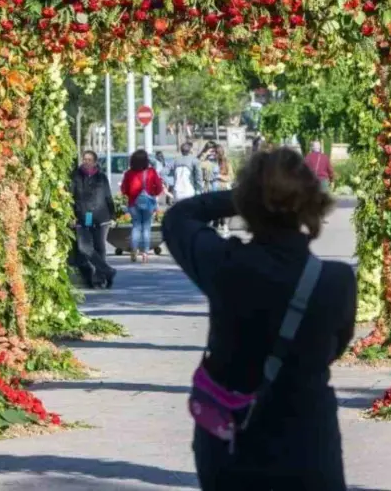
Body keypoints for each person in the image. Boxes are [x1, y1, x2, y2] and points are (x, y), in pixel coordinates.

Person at [163, 148, 356, 490]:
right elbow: (334, 348)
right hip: (308, 442)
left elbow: (179, 217)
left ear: (248, 202)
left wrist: (243, 198)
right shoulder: (336, 282)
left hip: (234, 444)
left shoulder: (226, 264)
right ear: (311, 202)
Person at [71, 150, 117, 289]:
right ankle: (107, 271)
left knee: (100, 247)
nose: (86, 162)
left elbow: (108, 196)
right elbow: (70, 196)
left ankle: (100, 278)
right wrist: (71, 215)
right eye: (84, 159)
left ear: (95, 162)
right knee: (84, 248)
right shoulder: (76, 176)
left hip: (100, 216)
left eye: (90, 159)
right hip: (82, 216)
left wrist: (113, 215)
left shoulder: (101, 177)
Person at [121, 149, 164, 263]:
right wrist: (153, 193)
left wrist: (131, 195)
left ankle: (134, 250)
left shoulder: (129, 173)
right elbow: (159, 188)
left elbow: (124, 189)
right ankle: (145, 253)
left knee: (136, 226)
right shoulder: (151, 172)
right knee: (146, 227)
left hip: (133, 203)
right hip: (148, 202)